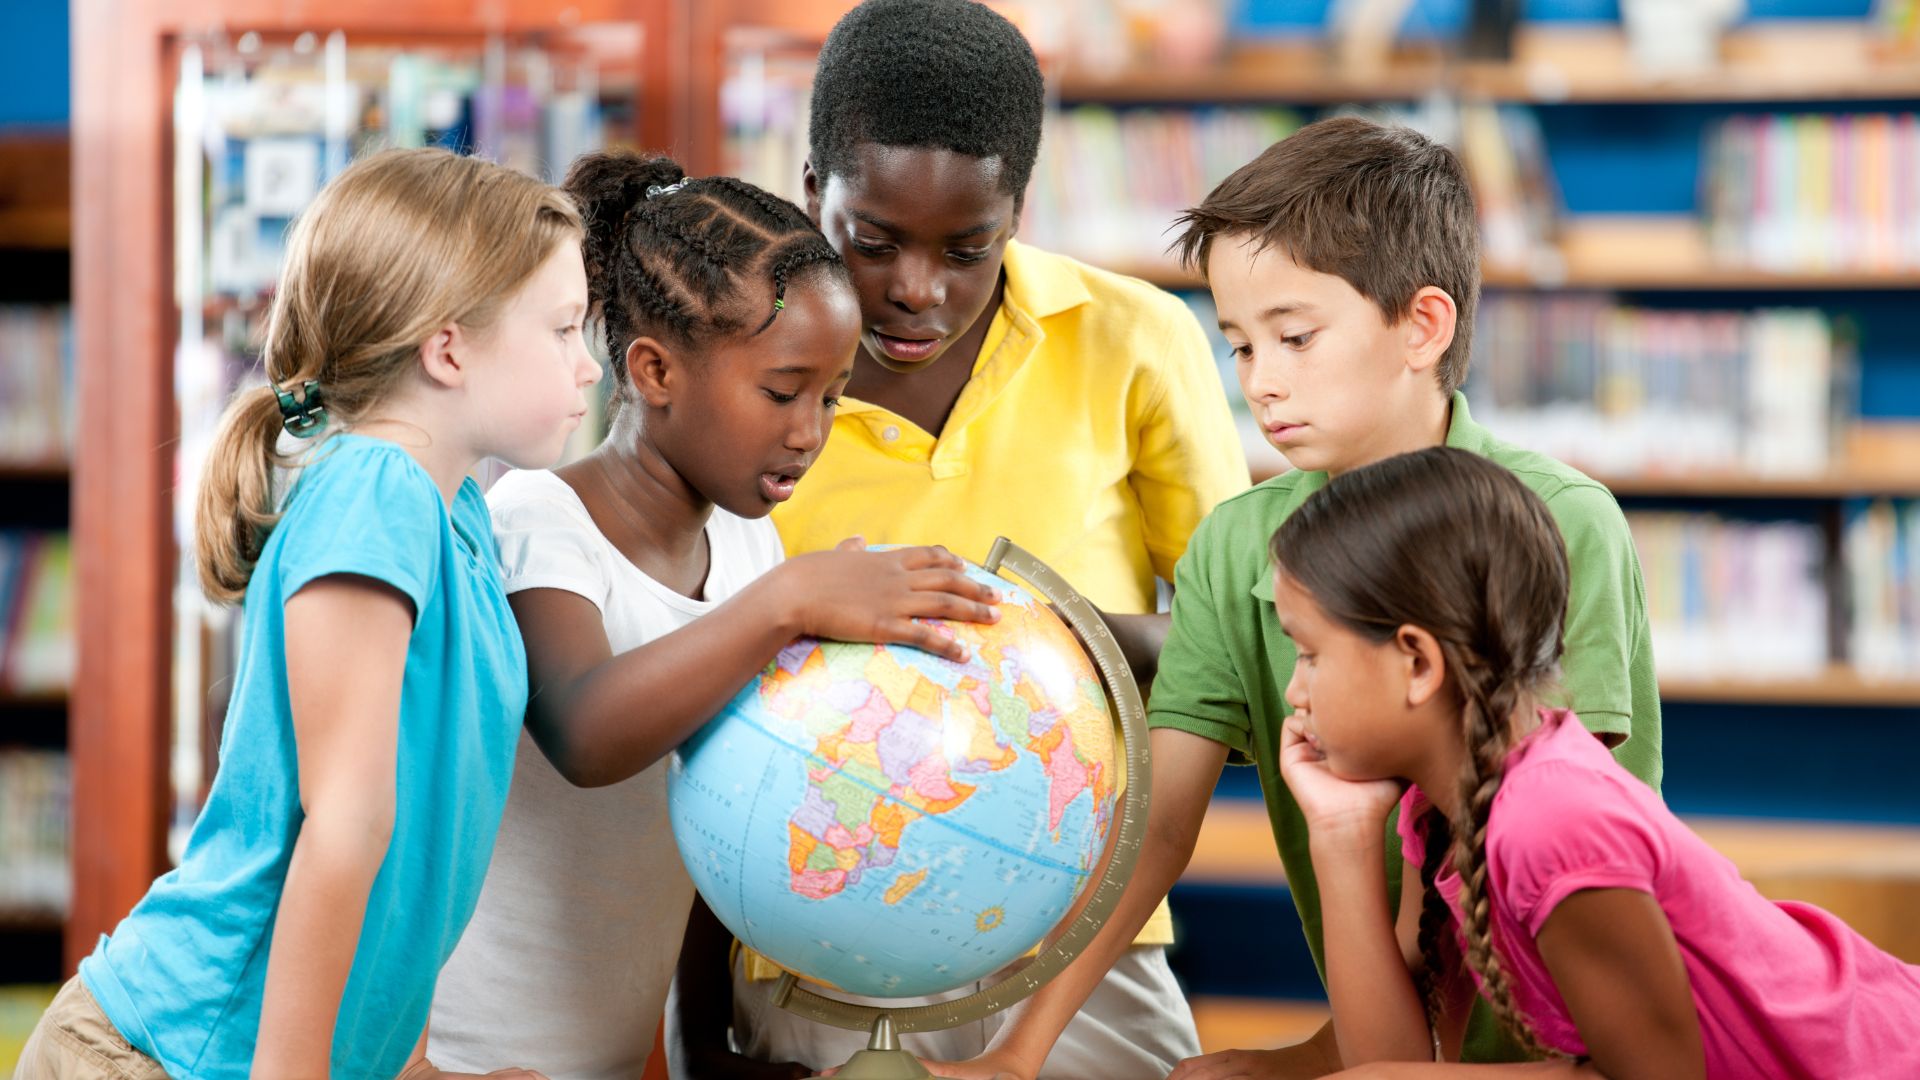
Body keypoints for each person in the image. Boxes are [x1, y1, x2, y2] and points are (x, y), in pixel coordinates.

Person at [950, 117, 1666, 1080]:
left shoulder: (1561, 519)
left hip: (1593, 1044)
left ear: (1423, 325)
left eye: (1295, 337)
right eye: (1240, 347)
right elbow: (1158, 828)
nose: (1262, 383)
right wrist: (1015, 1057)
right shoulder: (1238, 544)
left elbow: (1545, 843)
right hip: (1400, 1033)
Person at [667, 2, 1249, 1077]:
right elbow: (667, 701)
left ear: (1020, 210)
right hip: (812, 924)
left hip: (1081, 938)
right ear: (810, 192)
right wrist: (701, 1032)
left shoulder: (1136, 343)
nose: (916, 288)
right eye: (872, 239)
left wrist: (1054, 642)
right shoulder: (732, 381)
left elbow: (1246, 659)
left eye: (967, 247)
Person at [16, 147, 600, 1079]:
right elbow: (344, 825)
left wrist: (409, 1071)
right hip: (168, 1054)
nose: (587, 367)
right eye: (564, 330)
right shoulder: (375, 491)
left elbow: (417, 845)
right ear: (448, 348)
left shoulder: (454, 510)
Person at [423, 150, 1000, 1080]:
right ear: (653, 371)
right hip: (465, 1056)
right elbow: (584, 730)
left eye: (832, 396)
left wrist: (703, 1040)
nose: (810, 431)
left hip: (607, 1054)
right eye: (782, 391)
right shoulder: (536, 523)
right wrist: (789, 604)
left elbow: (715, 817)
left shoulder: (745, 553)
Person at [1272, 446, 1920, 1078]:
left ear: (1418, 663)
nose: (1294, 693)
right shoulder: (1445, 807)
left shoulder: (1552, 820)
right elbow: (1390, 1053)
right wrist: (1341, 835)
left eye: (1310, 655)